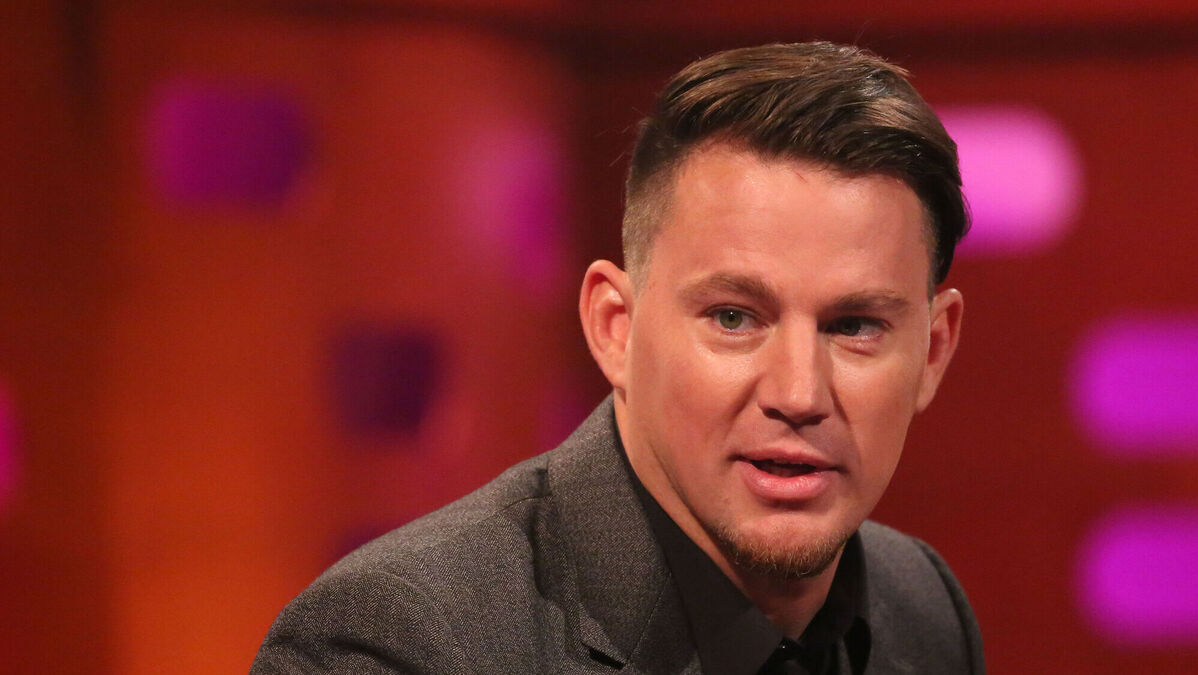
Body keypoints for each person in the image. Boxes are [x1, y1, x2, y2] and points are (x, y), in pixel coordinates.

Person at [252, 41, 984, 674]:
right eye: (733, 317)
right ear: (616, 329)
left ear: (933, 350)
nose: (798, 392)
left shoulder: (922, 605)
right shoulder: (397, 645)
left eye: (854, 326)